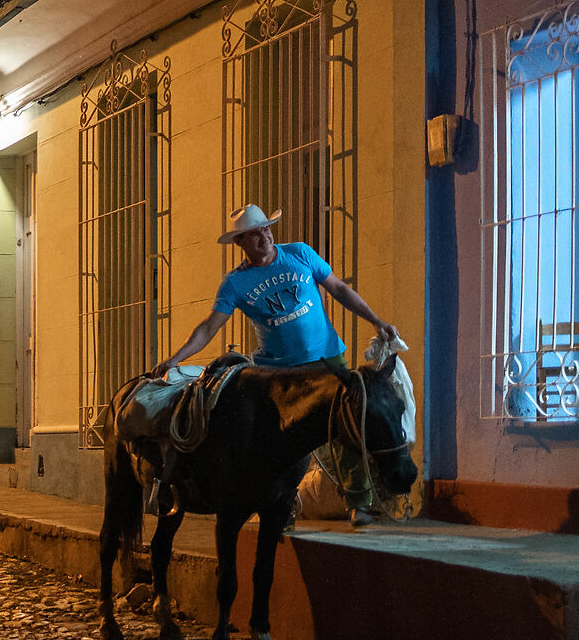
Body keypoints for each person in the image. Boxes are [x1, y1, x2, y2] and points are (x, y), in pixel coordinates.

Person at [149, 203, 401, 525]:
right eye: (253, 234)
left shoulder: (300, 253)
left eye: (266, 229)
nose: (264, 237)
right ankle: (284, 506)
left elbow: (338, 288)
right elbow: (209, 327)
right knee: (282, 443)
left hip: (328, 360)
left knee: (347, 428)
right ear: (240, 243)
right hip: (281, 374)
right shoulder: (235, 284)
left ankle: (359, 503)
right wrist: (175, 359)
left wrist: (376, 321)